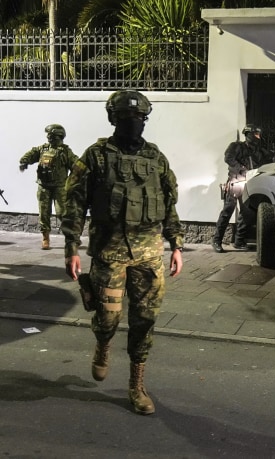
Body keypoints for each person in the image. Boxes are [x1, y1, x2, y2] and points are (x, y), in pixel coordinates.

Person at [61, 90, 184, 416]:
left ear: (146, 119)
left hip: (149, 255)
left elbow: (169, 204)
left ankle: (137, 385)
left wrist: (177, 244)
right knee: (108, 318)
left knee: (145, 320)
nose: (134, 124)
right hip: (109, 253)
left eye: (139, 118)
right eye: (127, 119)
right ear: (113, 119)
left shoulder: (157, 159)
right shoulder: (96, 156)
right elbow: (74, 203)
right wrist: (71, 247)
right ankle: (103, 344)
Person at [211, 125, 272, 253]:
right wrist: (241, 168)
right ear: (248, 134)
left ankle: (239, 241)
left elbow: (267, 161)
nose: (257, 137)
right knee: (227, 212)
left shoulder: (259, 151)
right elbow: (228, 157)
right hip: (235, 183)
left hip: (248, 185)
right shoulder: (236, 146)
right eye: (255, 134)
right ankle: (217, 240)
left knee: (247, 213)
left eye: (258, 135)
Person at [19, 124, 78, 249]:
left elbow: (76, 165)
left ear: (58, 136)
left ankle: (71, 237)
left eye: (51, 135)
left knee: (63, 212)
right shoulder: (43, 149)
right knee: (44, 213)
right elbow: (31, 154)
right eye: (49, 136)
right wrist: (24, 162)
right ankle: (45, 238)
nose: (49, 138)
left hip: (60, 188)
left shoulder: (65, 151)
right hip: (44, 187)